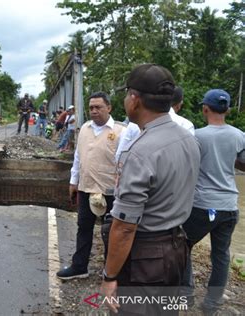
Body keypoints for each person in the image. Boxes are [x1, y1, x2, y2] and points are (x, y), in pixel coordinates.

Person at [100, 64, 200, 315]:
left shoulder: (141, 151)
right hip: (177, 248)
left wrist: (109, 276)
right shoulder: (188, 138)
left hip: (146, 258)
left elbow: (124, 227)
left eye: (126, 95)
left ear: (134, 100)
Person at [181, 89, 245, 314]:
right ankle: (212, 303)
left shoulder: (196, 136)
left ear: (205, 109)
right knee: (221, 254)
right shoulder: (239, 135)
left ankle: (185, 295)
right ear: (227, 110)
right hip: (229, 206)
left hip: (203, 205)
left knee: (182, 244)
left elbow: (186, 168)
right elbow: (242, 164)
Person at [57, 93, 126, 280]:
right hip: (86, 187)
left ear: (109, 108)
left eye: (98, 107)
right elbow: (78, 157)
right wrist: (73, 181)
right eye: (91, 108)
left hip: (111, 190)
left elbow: (126, 163)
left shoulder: (121, 131)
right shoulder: (85, 129)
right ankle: (79, 266)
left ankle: (111, 271)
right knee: (83, 227)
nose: (94, 111)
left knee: (111, 232)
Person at [115, 85, 194, 162]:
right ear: (179, 104)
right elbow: (189, 159)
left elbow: (120, 156)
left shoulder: (136, 121)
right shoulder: (186, 125)